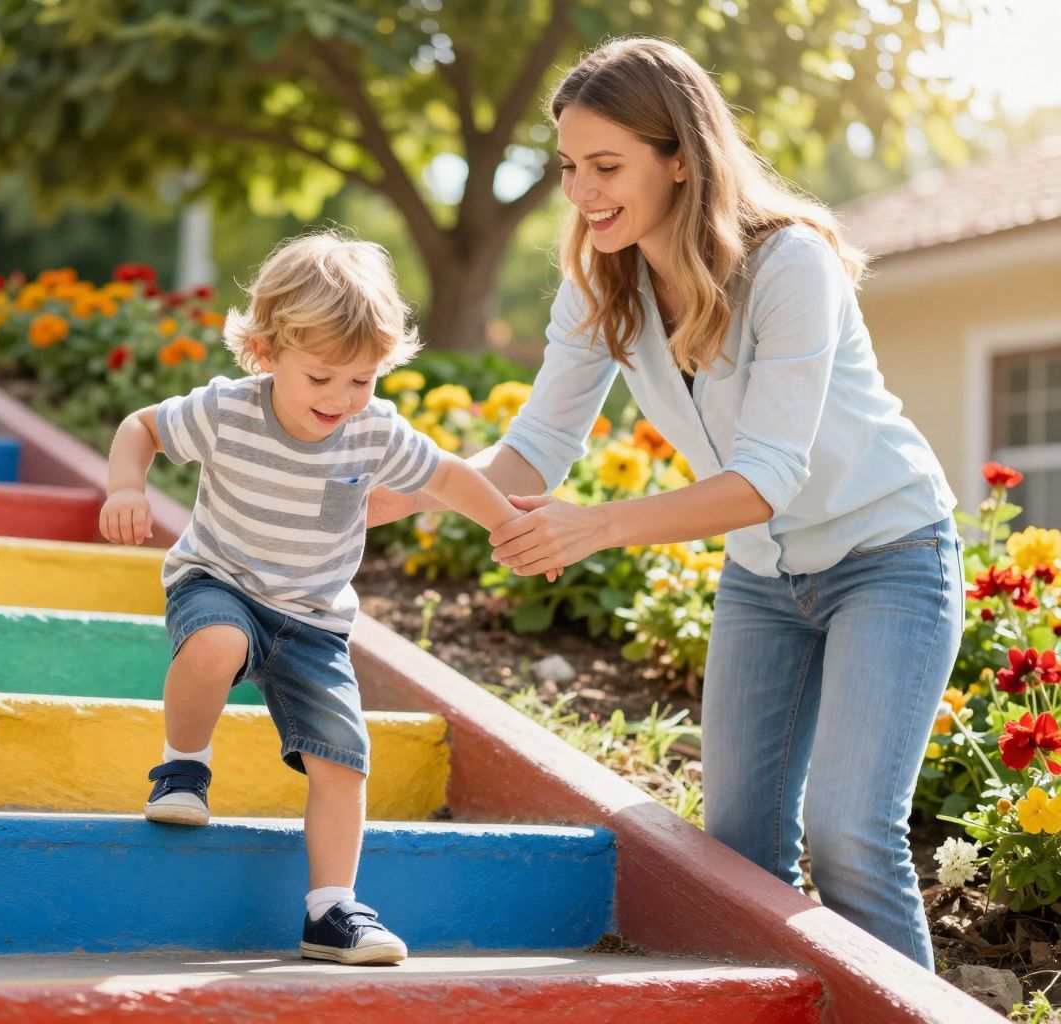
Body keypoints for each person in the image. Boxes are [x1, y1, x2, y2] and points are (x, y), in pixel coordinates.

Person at [369, 37, 962, 969]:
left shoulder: (788, 267)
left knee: (852, 833)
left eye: (606, 166)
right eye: (569, 167)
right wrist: (376, 502)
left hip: (888, 557)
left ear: (681, 157)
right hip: (766, 580)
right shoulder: (603, 281)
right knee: (739, 850)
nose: (581, 191)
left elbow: (768, 476)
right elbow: (535, 450)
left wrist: (594, 528)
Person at [100, 230, 520, 965]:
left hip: (314, 622)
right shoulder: (229, 409)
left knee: (344, 759)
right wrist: (126, 486)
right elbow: (142, 428)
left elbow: (448, 476)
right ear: (265, 353)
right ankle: (182, 765)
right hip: (220, 581)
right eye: (322, 378)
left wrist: (507, 523)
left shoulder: (373, 429)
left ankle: (331, 910)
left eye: (362, 380)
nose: (342, 399)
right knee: (219, 643)